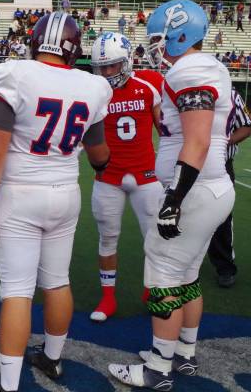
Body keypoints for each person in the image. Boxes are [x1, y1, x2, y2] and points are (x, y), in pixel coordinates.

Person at [0, 11, 111, 392]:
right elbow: (99, 153)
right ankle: (52, 359)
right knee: (56, 282)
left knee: (17, 290)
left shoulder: (15, 74)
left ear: (36, 42)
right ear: (73, 50)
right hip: (65, 193)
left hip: (21, 193)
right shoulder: (92, 86)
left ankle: (8, 385)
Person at [109, 0, 235, 391]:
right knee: (189, 275)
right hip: (213, 188)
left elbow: (196, 141)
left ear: (180, 34)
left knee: (164, 273)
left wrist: (173, 199)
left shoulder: (191, 69)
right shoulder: (209, 66)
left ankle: (157, 369)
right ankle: (184, 354)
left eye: (160, 38)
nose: (157, 47)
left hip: (195, 190)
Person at [89, 32, 164, 322]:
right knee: (107, 238)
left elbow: (164, 131)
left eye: (112, 66)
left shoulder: (148, 86)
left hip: (147, 175)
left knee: (155, 240)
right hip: (109, 177)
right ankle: (108, 297)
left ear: (127, 61)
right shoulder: (94, 91)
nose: (107, 72)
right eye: (101, 67)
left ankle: (152, 289)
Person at [207, 89, 251, 288]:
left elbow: (245, 128)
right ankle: (183, 261)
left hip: (220, 164)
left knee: (222, 216)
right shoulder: (185, 89)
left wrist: (223, 141)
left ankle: (225, 266)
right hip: (188, 162)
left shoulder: (231, 95)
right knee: (184, 213)